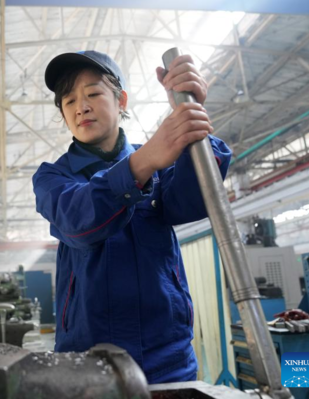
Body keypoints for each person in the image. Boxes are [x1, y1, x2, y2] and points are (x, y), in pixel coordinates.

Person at [32, 50, 232, 383]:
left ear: (121, 100)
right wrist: (142, 164)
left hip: (166, 356)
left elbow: (193, 201)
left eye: (93, 93)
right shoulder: (53, 178)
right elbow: (79, 222)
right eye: (68, 101)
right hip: (87, 362)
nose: (81, 106)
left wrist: (190, 117)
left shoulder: (160, 160)